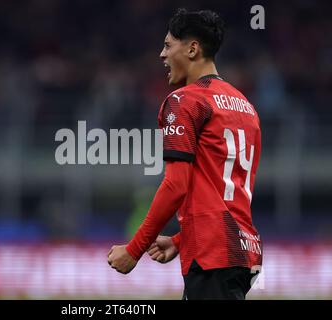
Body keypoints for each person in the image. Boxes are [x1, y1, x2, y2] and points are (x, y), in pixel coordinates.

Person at [107, 8, 263, 300]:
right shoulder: (246, 107)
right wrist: (180, 239)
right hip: (242, 251)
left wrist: (134, 249)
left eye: (168, 45)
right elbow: (228, 194)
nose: (161, 55)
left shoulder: (185, 101)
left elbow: (176, 185)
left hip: (211, 255)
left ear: (192, 49)